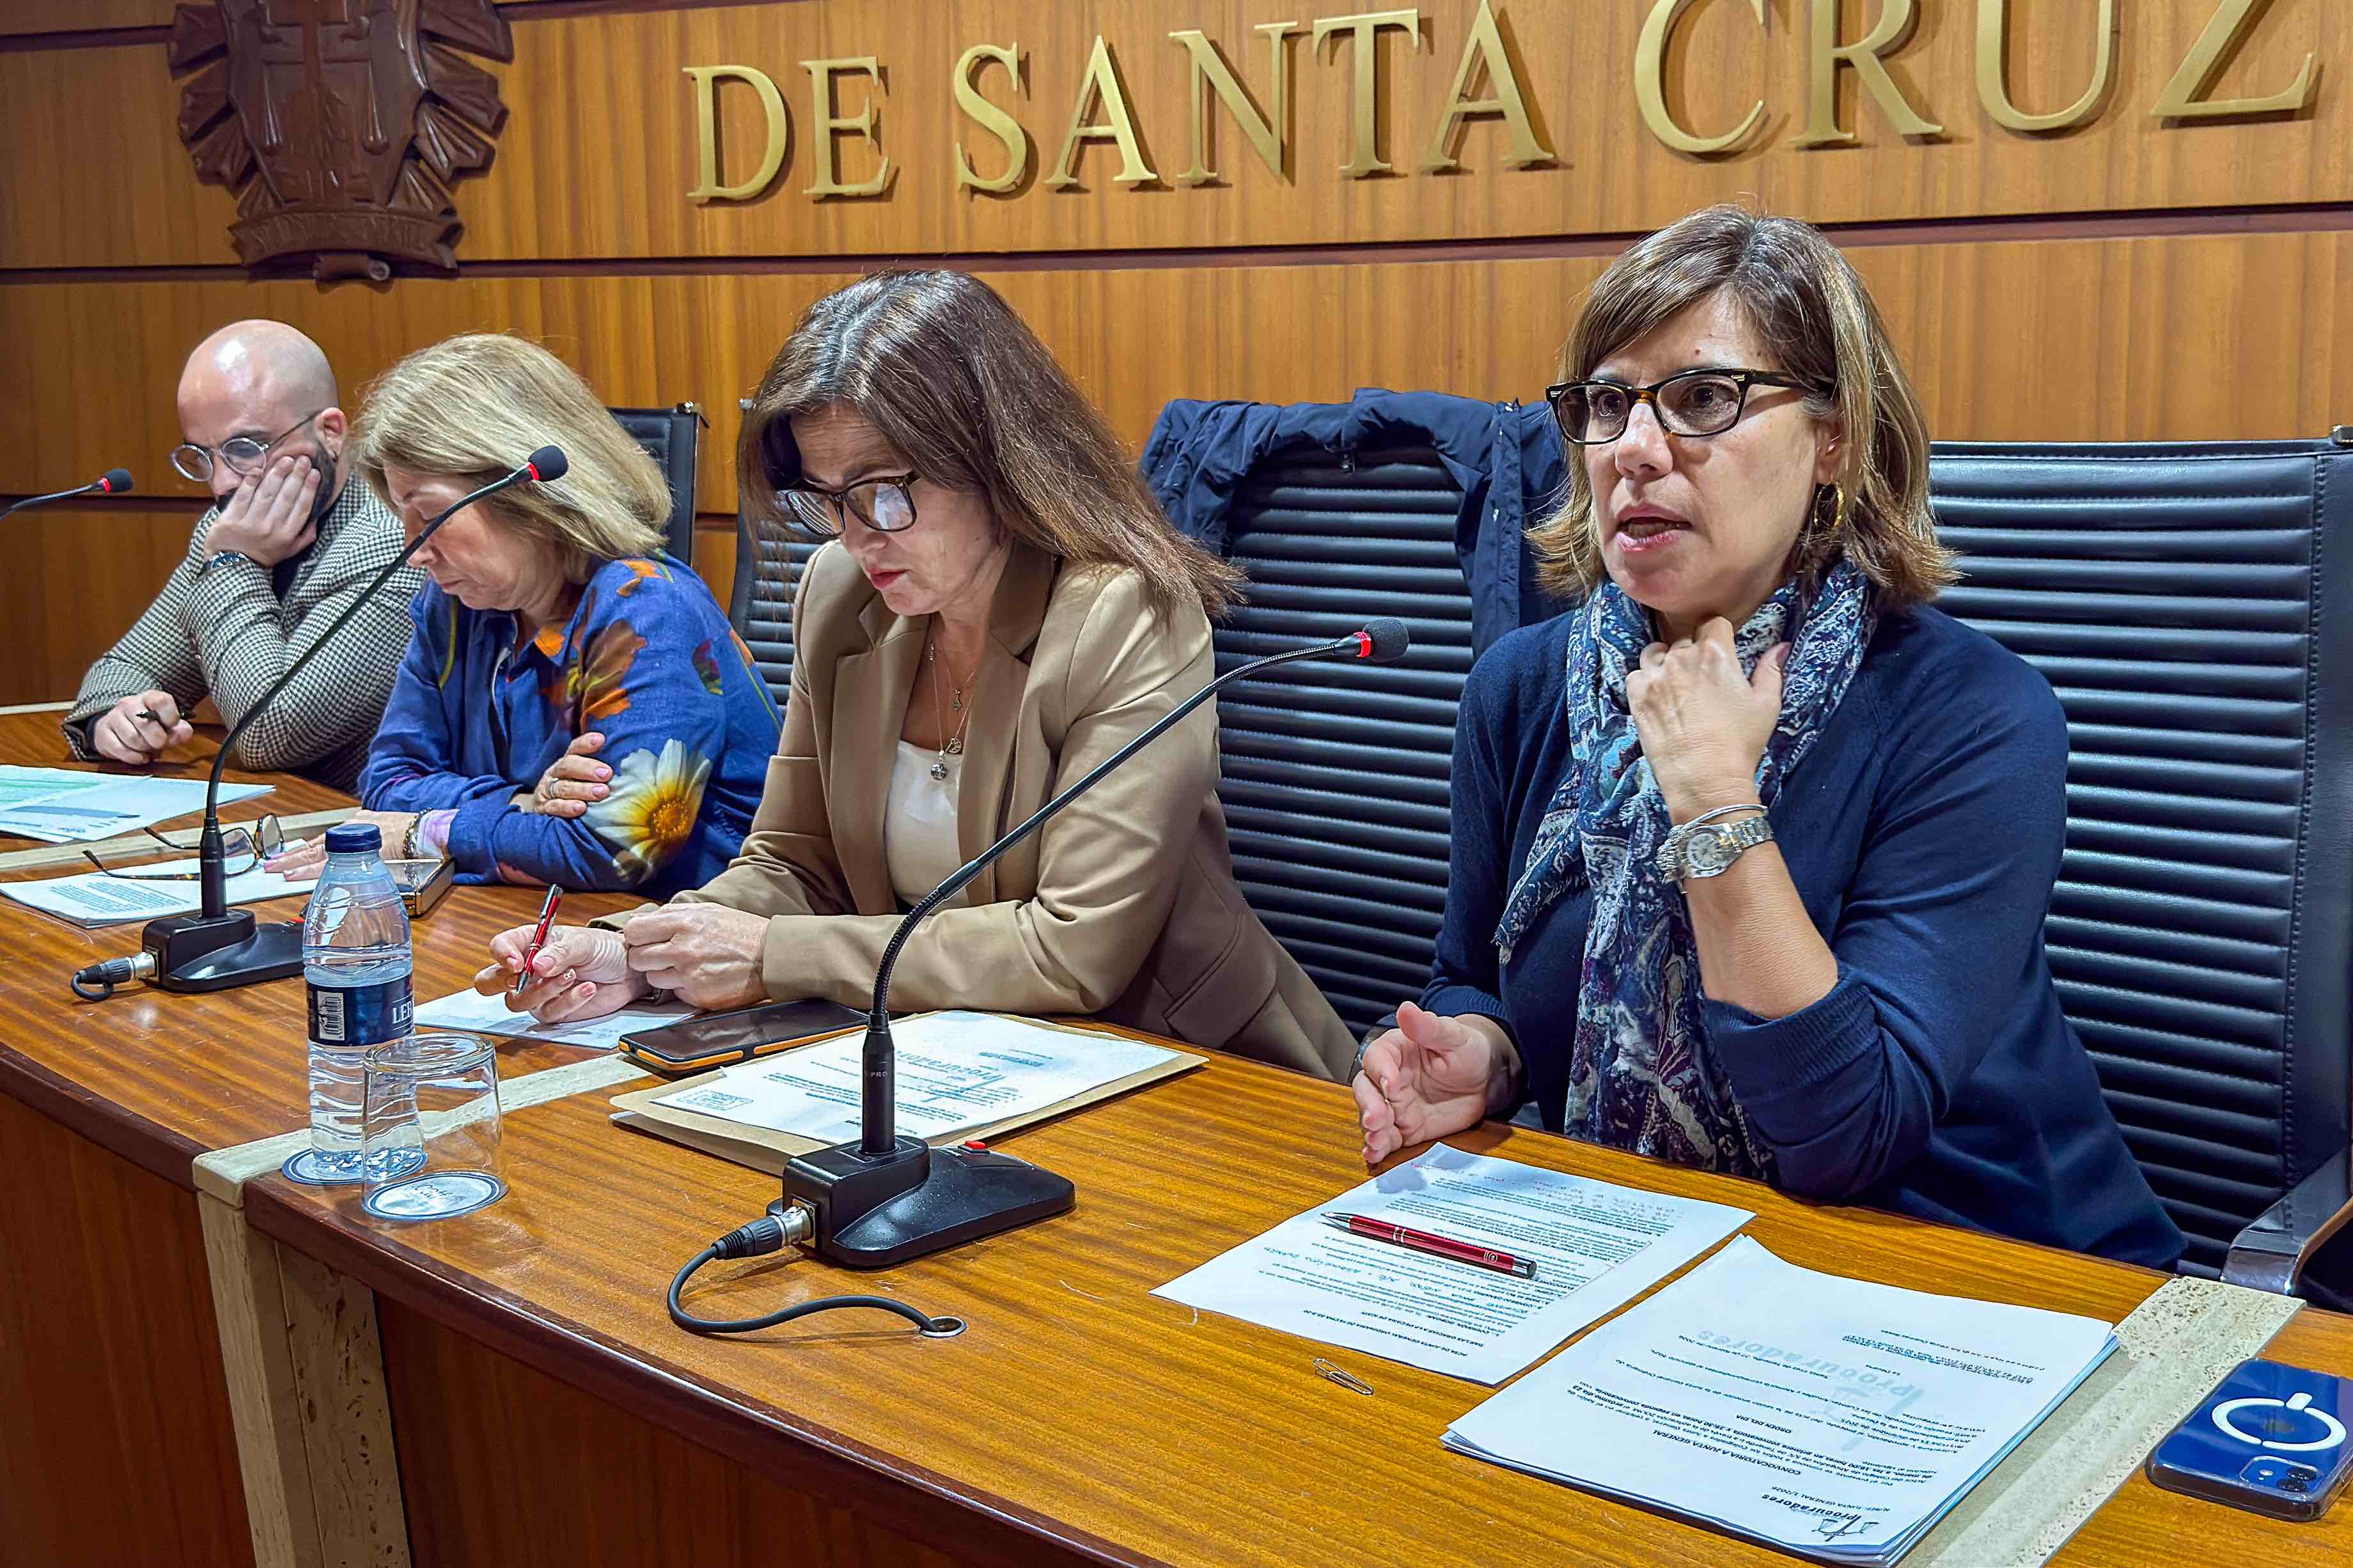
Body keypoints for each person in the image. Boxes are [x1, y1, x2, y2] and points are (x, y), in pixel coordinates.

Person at [1354, 206, 2183, 1268]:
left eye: (1703, 398)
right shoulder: (1526, 686)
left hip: (1990, 1271)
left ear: (1834, 439)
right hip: (1644, 1249)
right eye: (1608, 403)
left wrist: (1710, 795)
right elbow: (1470, 973)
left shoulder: (1976, 714)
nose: (1636, 452)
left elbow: (1850, 1136)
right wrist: (1487, 1053)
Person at [478, 270, 1356, 1080]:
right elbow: (795, 862)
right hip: (958, 1061)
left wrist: (770, 956)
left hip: (1186, 1068)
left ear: (999, 462)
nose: (857, 536)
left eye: (884, 491)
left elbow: (1073, 950)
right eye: (829, 498)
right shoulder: (841, 593)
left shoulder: (1125, 615)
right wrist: (636, 948)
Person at [262, 334, 779, 898]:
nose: (414, 551)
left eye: (430, 514)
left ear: (526, 492)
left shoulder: (647, 609)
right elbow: (385, 783)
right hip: (531, 925)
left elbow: (612, 850)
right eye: (401, 515)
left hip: (692, 945)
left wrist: (427, 829)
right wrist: (524, 802)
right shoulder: (457, 607)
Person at [63, 320, 418, 788]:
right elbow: (122, 670)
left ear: (331, 433)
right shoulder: (234, 524)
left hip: (362, 838)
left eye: (244, 449)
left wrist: (234, 564)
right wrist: (115, 719)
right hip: (270, 822)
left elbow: (269, 732)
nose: (222, 484)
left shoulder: (393, 543)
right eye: (202, 457)